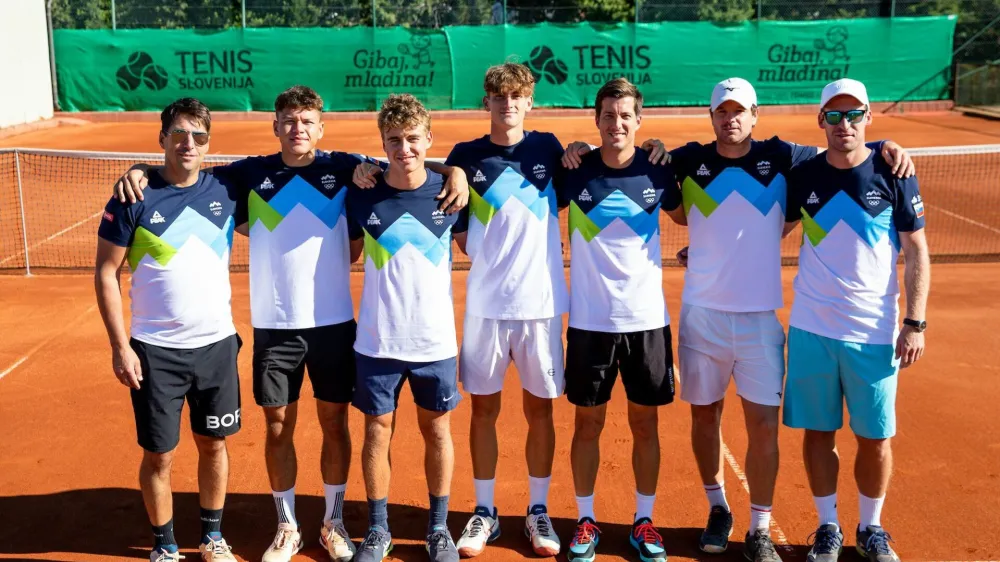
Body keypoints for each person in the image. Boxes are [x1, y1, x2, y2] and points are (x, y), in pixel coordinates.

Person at [112, 85, 469, 562]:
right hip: (274, 328)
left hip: (336, 325)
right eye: (288, 121)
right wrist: (139, 171)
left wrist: (456, 170)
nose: (297, 129)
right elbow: (184, 175)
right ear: (275, 126)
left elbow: (409, 159)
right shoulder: (246, 175)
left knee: (335, 422)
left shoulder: (348, 169)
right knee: (278, 425)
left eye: (307, 121)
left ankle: (334, 521)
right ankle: (287, 526)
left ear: (321, 128)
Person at [351, 62, 669, 560]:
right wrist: (438, 168)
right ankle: (485, 510)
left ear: (529, 101)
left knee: (539, 410)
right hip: (484, 307)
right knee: (483, 410)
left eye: (516, 96)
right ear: (487, 103)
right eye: (498, 97)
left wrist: (654, 149)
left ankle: (538, 510)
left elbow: (604, 162)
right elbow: (416, 169)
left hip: (541, 306)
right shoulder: (464, 157)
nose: (507, 105)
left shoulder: (550, 149)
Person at [783, 78, 929, 562]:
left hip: (874, 333)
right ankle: (827, 526)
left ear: (868, 116)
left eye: (853, 114)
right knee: (818, 433)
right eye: (833, 115)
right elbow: (764, 229)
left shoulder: (893, 172)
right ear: (820, 120)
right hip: (812, 328)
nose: (843, 124)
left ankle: (871, 527)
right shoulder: (802, 174)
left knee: (875, 437)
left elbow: (916, 251)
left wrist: (915, 322)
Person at [95, 98, 241, 562]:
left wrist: (448, 170)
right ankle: (164, 543)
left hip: (216, 345)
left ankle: (212, 537)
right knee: (160, 455)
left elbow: (302, 163)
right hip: (156, 350)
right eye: (178, 134)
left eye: (198, 136)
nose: (188, 143)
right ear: (162, 138)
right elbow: (106, 273)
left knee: (213, 445)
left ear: (209, 142)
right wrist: (121, 348)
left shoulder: (227, 188)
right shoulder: (133, 197)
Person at [556, 78, 686, 562]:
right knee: (586, 425)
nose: (617, 124)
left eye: (625, 115)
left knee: (645, 425)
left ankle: (643, 521)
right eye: (608, 115)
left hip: (647, 320)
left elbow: (686, 217)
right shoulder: (574, 170)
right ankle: (585, 518)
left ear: (639, 120)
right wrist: (571, 149)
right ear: (597, 119)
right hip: (591, 322)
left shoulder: (659, 171)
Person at [346, 94, 469, 562]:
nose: (404, 149)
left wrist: (452, 171)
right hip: (377, 341)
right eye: (394, 141)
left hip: (435, 341)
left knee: (438, 432)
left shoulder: (452, 194)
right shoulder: (361, 193)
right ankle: (378, 530)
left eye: (413, 139)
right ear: (382, 144)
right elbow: (350, 251)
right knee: (377, 432)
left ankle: (438, 529)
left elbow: (476, 247)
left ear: (428, 140)